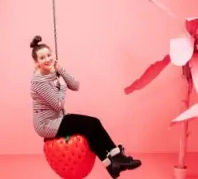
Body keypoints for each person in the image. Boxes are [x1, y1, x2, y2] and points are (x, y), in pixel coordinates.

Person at [29, 35, 141, 178]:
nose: (47, 59)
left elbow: (75, 85)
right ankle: (116, 158)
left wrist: (60, 69)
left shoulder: (53, 71)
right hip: (46, 124)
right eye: (42, 58)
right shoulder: (38, 81)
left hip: (57, 119)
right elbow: (58, 105)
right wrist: (62, 86)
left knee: (91, 127)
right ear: (36, 62)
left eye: (49, 55)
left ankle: (112, 164)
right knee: (92, 123)